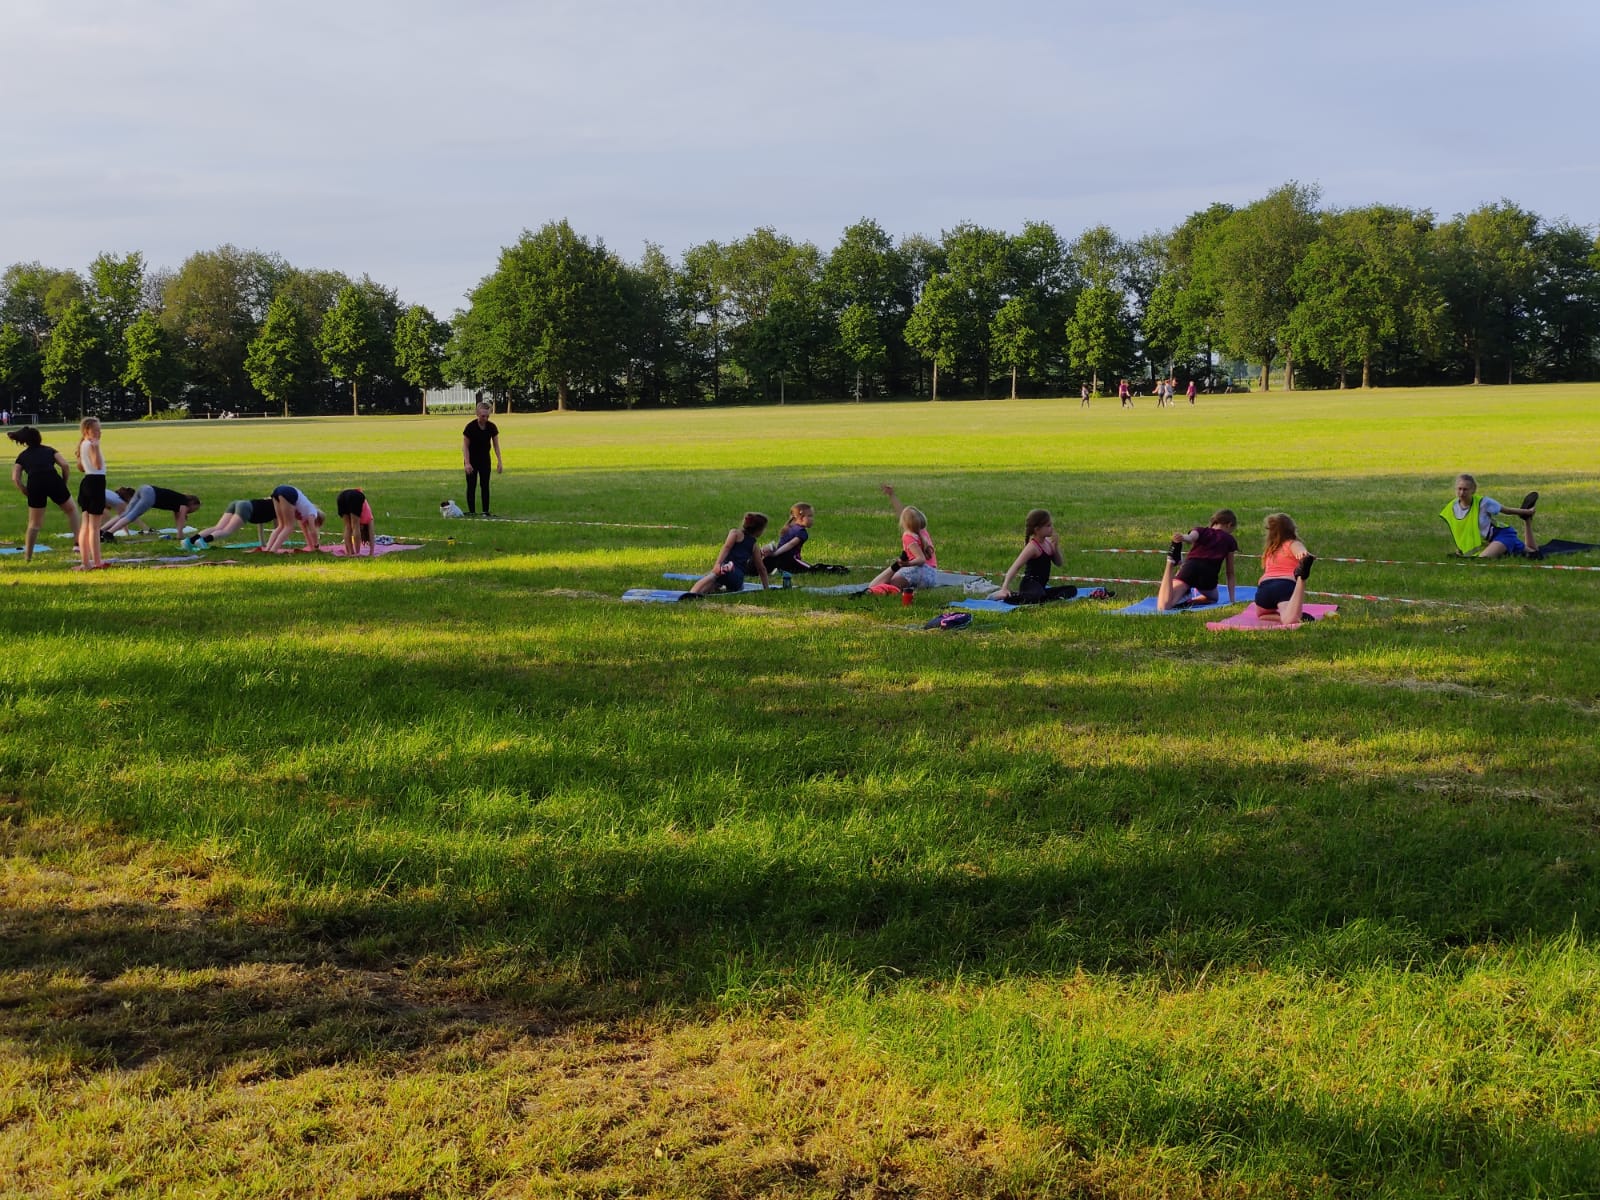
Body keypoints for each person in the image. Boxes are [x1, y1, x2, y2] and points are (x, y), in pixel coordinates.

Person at [991, 509, 1104, 604]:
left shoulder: (1048, 543)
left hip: (1041, 586)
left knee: (1071, 590)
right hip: (1030, 584)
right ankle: (1008, 596)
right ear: (1037, 529)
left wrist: (1055, 547)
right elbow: (1015, 567)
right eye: (1048, 526)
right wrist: (1004, 587)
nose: (1052, 528)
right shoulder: (1032, 547)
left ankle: (1045, 598)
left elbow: (1059, 563)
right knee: (1038, 596)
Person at [8, 426, 79, 562]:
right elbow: (65, 465)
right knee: (71, 510)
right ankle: (77, 544)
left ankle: (28, 556)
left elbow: (15, 478)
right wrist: (63, 482)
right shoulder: (49, 450)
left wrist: (25, 490)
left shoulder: (22, 456)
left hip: (35, 484)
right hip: (52, 479)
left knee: (34, 524)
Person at [1156, 509, 1239, 611]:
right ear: (1229, 525)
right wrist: (1232, 600)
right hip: (1208, 577)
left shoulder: (1201, 530)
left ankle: (1171, 562)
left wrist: (1182, 537)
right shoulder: (1230, 540)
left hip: (1190, 570)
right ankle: (1187, 599)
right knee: (1213, 598)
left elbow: (1190, 538)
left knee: (1164, 606)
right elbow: (1230, 572)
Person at [1440, 475, 1539, 559]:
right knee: (1534, 554)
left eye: (1465, 489)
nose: (1462, 493)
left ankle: (1526, 518)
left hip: (1502, 536)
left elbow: (1507, 510)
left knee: (1481, 560)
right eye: (1459, 489)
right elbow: (1461, 532)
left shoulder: (1484, 502)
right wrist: (1461, 548)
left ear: (1473, 490)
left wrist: (1527, 511)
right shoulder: (1452, 507)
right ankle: (1527, 521)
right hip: (1488, 541)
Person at [865, 485, 938, 592]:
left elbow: (921, 559)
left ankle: (897, 575)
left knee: (879, 584)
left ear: (905, 523)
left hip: (917, 572)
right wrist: (892, 495)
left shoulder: (908, 536)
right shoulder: (921, 530)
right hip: (931, 576)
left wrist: (906, 564)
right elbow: (903, 513)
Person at [1252, 513, 1316, 625]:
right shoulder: (1292, 543)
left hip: (1264, 589)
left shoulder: (1269, 550)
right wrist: (1304, 555)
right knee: (1290, 620)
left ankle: (1283, 616)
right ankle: (1301, 578)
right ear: (1292, 529)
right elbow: (1299, 549)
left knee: (1262, 616)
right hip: (1284, 586)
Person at [688, 511, 770, 595]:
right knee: (723, 582)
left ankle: (693, 592)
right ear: (758, 530)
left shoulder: (735, 533)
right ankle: (720, 579)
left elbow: (726, 548)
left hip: (725, 570)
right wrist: (766, 588)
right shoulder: (754, 546)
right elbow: (761, 568)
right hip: (737, 580)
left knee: (713, 576)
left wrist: (718, 564)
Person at [102, 485, 201, 536]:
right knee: (131, 515)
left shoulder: (178, 503)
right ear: (191, 503)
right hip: (150, 494)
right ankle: (109, 533)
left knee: (126, 513)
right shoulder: (183, 501)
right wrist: (180, 535)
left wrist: (180, 529)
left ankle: (102, 530)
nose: (191, 512)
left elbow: (178, 517)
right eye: (193, 509)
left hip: (145, 488)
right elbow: (181, 517)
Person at [75, 417, 107, 570]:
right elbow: (97, 464)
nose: (99, 432)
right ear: (86, 431)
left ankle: (85, 562)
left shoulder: (83, 444)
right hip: (95, 484)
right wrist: (96, 448)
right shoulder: (91, 445)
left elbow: (81, 466)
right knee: (94, 527)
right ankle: (97, 562)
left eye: (99, 429)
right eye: (95, 430)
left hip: (87, 482)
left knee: (85, 525)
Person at [461, 401, 503, 516]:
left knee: (485, 485)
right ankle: (472, 511)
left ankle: (485, 511)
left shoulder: (491, 427)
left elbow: (496, 445)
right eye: (483, 416)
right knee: (471, 485)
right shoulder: (470, 427)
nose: (485, 418)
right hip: (472, 459)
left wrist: (499, 461)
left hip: (485, 459)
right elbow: (465, 446)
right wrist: (467, 463)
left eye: (487, 416)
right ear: (477, 414)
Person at [185, 498, 275, 549]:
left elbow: (261, 525)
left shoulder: (272, 502)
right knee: (227, 531)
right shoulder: (281, 509)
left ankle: (190, 541)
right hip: (246, 508)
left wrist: (263, 544)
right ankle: (203, 541)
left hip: (239, 503)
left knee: (218, 527)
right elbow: (278, 529)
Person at [262, 485, 323, 553]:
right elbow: (313, 532)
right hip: (289, 493)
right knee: (289, 527)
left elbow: (306, 534)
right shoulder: (313, 512)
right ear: (317, 519)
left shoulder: (304, 514)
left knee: (281, 526)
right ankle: (273, 550)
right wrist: (316, 546)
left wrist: (312, 548)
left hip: (277, 491)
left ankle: (267, 549)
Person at [337, 488, 376, 556]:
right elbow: (372, 536)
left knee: (347, 527)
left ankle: (350, 552)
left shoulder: (365, 516)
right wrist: (371, 553)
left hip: (341, 496)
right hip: (355, 497)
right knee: (355, 526)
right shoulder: (369, 519)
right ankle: (357, 553)